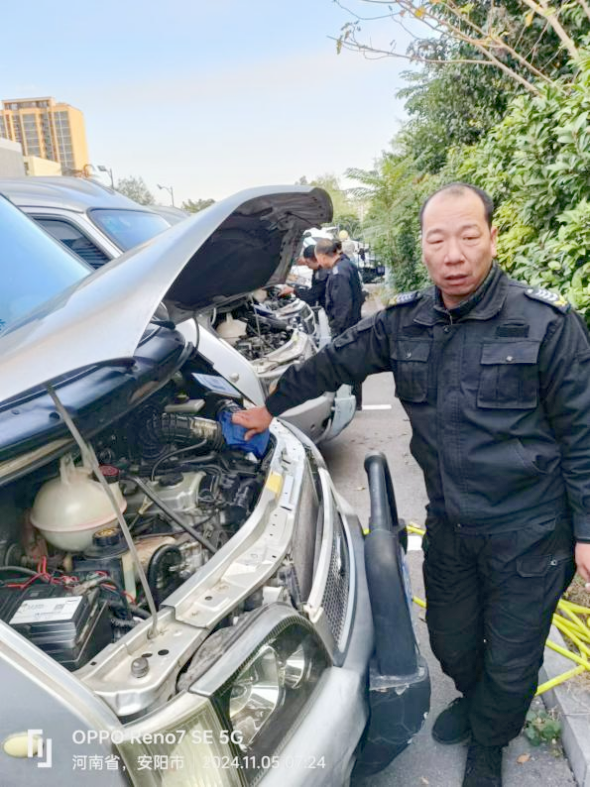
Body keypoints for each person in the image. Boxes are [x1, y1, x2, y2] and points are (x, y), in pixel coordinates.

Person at [232, 182, 590, 787]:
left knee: (512, 662)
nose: (454, 254)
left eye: (468, 236)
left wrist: (586, 531)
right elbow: (333, 362)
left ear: (492, 237)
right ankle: (476, 700)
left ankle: (489, 740)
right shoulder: (404, 324)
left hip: (531, 531)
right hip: (451, 525)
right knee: (450, 641)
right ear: (423, 247)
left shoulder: (546, 324)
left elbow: (583, 433)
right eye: (438, 240)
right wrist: (270, 408)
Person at [315, 237, 364, 409]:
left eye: (318, 259)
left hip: (346, 329)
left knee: (346, 366)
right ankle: (354, 402)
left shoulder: (338, 273)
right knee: (352, 366)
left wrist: (337, 332)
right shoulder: (347, 265)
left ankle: (350, 403)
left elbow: (342, 306)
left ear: (322, 256)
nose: (319, 264)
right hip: (353, 325)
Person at [279, 244, 328, 309]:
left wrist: (294, 290)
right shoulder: (318, 269)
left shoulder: (323, 274)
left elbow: (312, 296)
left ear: (317, 260)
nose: (306, 265)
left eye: (308, 262)